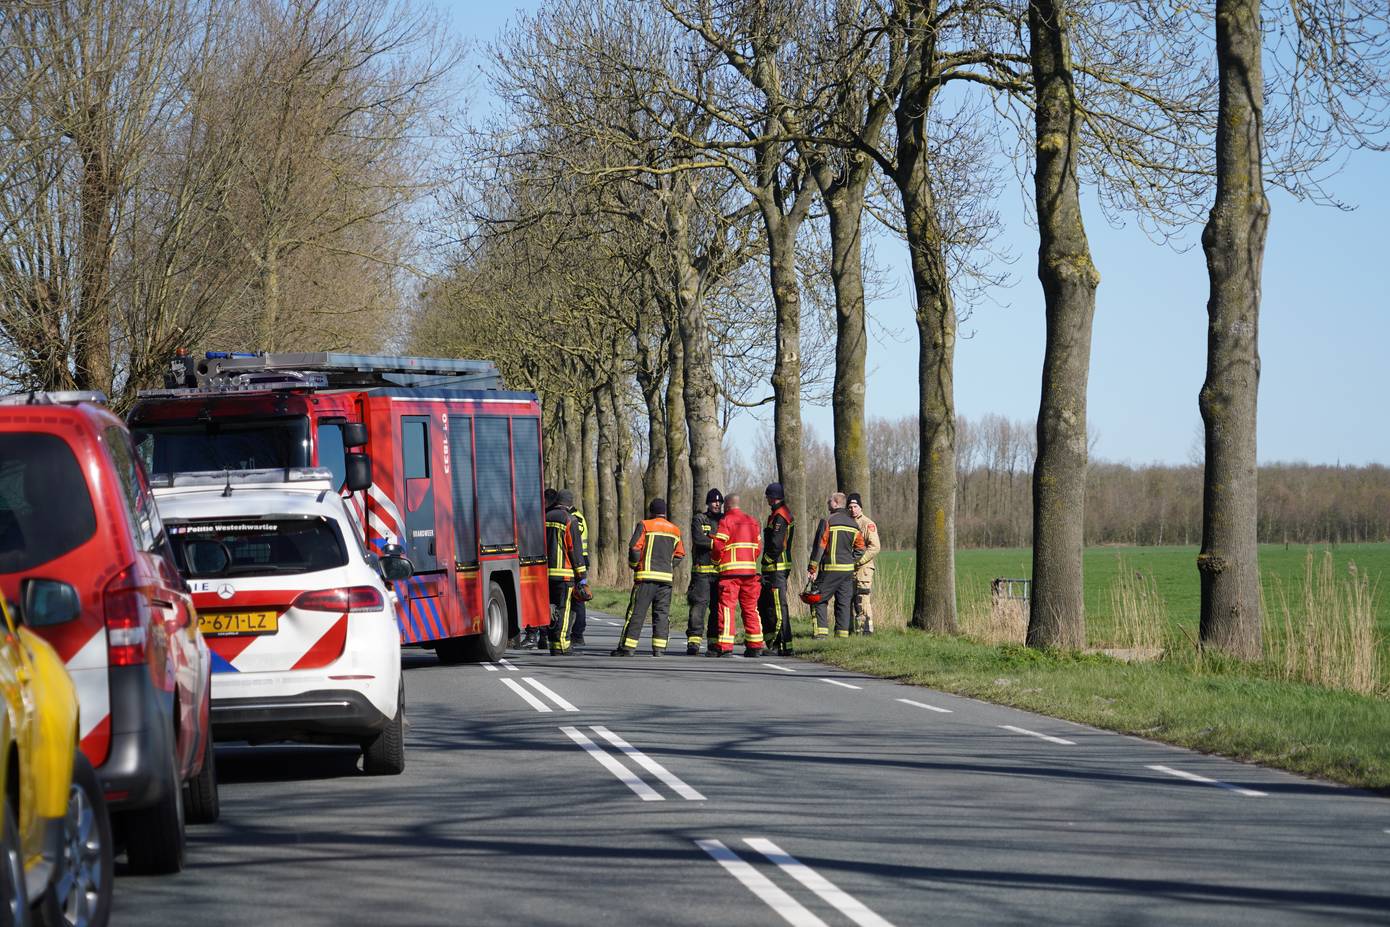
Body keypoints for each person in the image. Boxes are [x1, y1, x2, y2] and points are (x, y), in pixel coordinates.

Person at [613, 498, 686, 656]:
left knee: (637, 612)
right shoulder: (675, 530)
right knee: (662, 614)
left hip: (645, 577)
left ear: (651, 512)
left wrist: (634, 565)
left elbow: (634, 548)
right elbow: (680, 554)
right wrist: (669, 565)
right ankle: (659, 649)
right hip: (666, 579)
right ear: (665, 512)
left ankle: (628, 648)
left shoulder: (645, 525)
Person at [710, 493, 765, 657]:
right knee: (751, 609)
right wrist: (750, 561)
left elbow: (719, 546)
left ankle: (725, 646)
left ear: (726, 505)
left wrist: (715, 562)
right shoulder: (752, 521)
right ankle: (755, 645)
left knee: (727, 609)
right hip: (749, 573)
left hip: (730, 575)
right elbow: (758, 547)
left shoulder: (726, 521)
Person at [808, 491, 865, 639]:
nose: (827, 504)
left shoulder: (828, 521)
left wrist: (812, 568)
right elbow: (861, 548)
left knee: (818, 598)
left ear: (835, 503)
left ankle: (820, 634)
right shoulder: (854, 524)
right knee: (844, 603)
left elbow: (820, 546)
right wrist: (851, 560)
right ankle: (842, 637)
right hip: (847, 572)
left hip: (829, 569)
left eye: (829, 502)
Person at [544, 488, 587, 655]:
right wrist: (581, 575)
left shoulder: (545, 517)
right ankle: (562, 645)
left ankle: (552, 643)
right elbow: (574, 549)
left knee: (550, 608)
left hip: (544, 573)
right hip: (564, 573)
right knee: (564, 609)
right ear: (570, 504)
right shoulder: (570, 520)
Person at [758, 482, 796, 656]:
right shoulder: (777, 514)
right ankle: (774, 642)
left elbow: (776, 545)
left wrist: (765, 561)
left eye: (768, 496)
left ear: (773, 497)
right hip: (775, 567)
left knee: (778, 606)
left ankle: (783, 645)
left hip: (776, 567)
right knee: (768, 605)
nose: (766, 499)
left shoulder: (780, 516)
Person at [686, 488, 724, 655]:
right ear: (708, 503)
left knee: (717, 608)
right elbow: (699, 539)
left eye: (719, 502)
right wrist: (717, 543)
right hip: (701, 572)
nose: (717, 504)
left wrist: (711, 540)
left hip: (720, 573)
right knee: (698, 607)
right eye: (713, 501)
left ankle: (714, 642)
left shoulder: (725, 520)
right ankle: (694, 642)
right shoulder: (699, 519)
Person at [847, 492, 881, 635]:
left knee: (862, 599)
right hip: (849, 568)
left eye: (855, 506)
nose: (853, 509)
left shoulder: (868, 524)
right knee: (849, 598)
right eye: (850, 507)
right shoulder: (846, 522)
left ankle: (866, 631)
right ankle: (852, 630)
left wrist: (859, 561)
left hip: (863, 568)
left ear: (860, 507)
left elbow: (875, 547)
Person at [570, 499, 591, 644]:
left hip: (575, 560)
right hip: (582, 560)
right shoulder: (579, 516)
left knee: (577, 597)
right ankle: (578, 634)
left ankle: (577, 633)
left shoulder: (573, 519)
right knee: (579, 597)